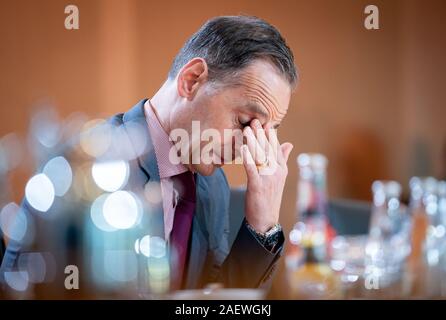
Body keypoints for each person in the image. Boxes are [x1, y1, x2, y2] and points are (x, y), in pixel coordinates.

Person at [1, 15, 297, 298]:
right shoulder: (86, 170)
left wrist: (262, 226)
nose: (250, 148)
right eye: (246, 123)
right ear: (192, 80)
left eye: (266, 133)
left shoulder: (213, 184)